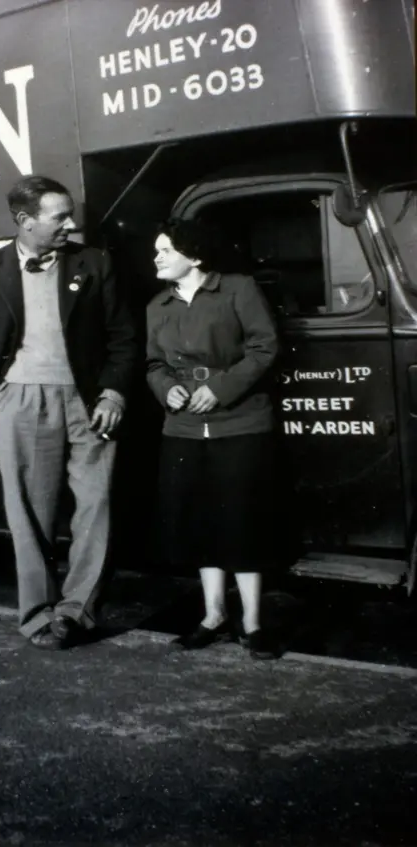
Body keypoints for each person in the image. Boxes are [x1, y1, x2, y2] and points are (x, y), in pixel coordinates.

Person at [0, 176, 137, 650]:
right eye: (60, 217)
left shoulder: (95, 264)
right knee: (30, 514)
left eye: (70, 215)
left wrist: (112, 394)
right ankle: (37, 616)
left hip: (89, 401)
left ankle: (78, 612)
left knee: (98, 506)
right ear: (25, 221)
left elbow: (123, 338)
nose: (70, 225)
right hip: (21, 402)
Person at [146, 217, 279, 659]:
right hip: (182, 429)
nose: (157, 257)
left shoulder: (238, 289)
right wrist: (169, 389)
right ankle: (213, 616)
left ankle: (254, 624)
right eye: (157, 250)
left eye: (166, 249)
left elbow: (264, 347)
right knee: (199, 522)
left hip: (240, 424)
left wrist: (219, 389)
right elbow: (153, 365)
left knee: (242, 523)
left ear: (195, 256)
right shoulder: (156, 306)